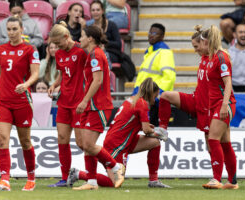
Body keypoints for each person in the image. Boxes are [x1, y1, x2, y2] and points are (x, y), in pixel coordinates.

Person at [67, 78, 170, 188]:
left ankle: (153, 181)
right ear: (151, 93)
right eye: (155, 95)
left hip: (124, 139)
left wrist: (148, 129)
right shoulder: (142, 104)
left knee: (155, 143)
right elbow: (146, 130)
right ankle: (78, 174)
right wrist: (158, 133)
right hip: (117, 144)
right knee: (114, 183)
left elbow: (131, 122)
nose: (156, 98)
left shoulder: (132, 99)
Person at [72, 25, 125, 191]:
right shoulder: (92, 55)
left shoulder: (96, 55)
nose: (79, 39)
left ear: (90, 39)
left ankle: (116, 167)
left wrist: (84, 100)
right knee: (86, 145)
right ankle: (92, 181)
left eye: (81, 36)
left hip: (99, 105)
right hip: (91, 106)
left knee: (88, 144)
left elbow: (98, 81)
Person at [0, 16, 40, 191]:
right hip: (3, 100)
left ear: (22, 29)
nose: (11, 33)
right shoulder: (1, 49)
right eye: (8, 29)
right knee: (2, 139)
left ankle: (31, 178)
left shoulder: (30, 49)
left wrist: (26, 85)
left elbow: (35, 73)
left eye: (14, 29)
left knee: (25, 141)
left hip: (22, 101)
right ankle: (5, 179)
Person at [158, 25, 210, 156]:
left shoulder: (217, 60)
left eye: (196, 47)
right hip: (195, 100)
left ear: (205, 44)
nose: (194, 50)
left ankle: (226, 175)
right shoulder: (203, 58)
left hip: (208, 107)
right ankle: (163, 129)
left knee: (212, 145)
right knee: (165, 96)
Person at [46, 21, 87, 187]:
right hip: (64, 102)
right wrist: (54, 85)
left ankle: (103, 169)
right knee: (62, 139)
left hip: (78, 103)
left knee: (82, 143)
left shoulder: (81, 51)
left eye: (58, 43)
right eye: (53, 44)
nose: (56, 47)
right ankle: (64, 178)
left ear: (66, 36)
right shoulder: (59, 54)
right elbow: (63, 74)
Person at [198, 25, 238, 190]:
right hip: (215, 104)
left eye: (202, 43)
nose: (200, 47)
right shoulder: (211, 58)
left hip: (223, 104)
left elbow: (228, 83)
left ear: (208, 42)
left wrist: (223, 105)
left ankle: (216, 178)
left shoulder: (221, 58)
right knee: (225, 143)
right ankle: (233, 182)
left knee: (213, 139)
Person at [132, 23, 175, 125]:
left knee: (149, 129)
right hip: (143, 97)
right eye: (150, 32)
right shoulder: (150, 52)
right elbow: (143, 76)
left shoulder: (164, 52)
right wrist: (136, 92)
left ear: (162, 36)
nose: (151, 35)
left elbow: (169, 77)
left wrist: (157, 95)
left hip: (153, 101)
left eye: (155, 33)